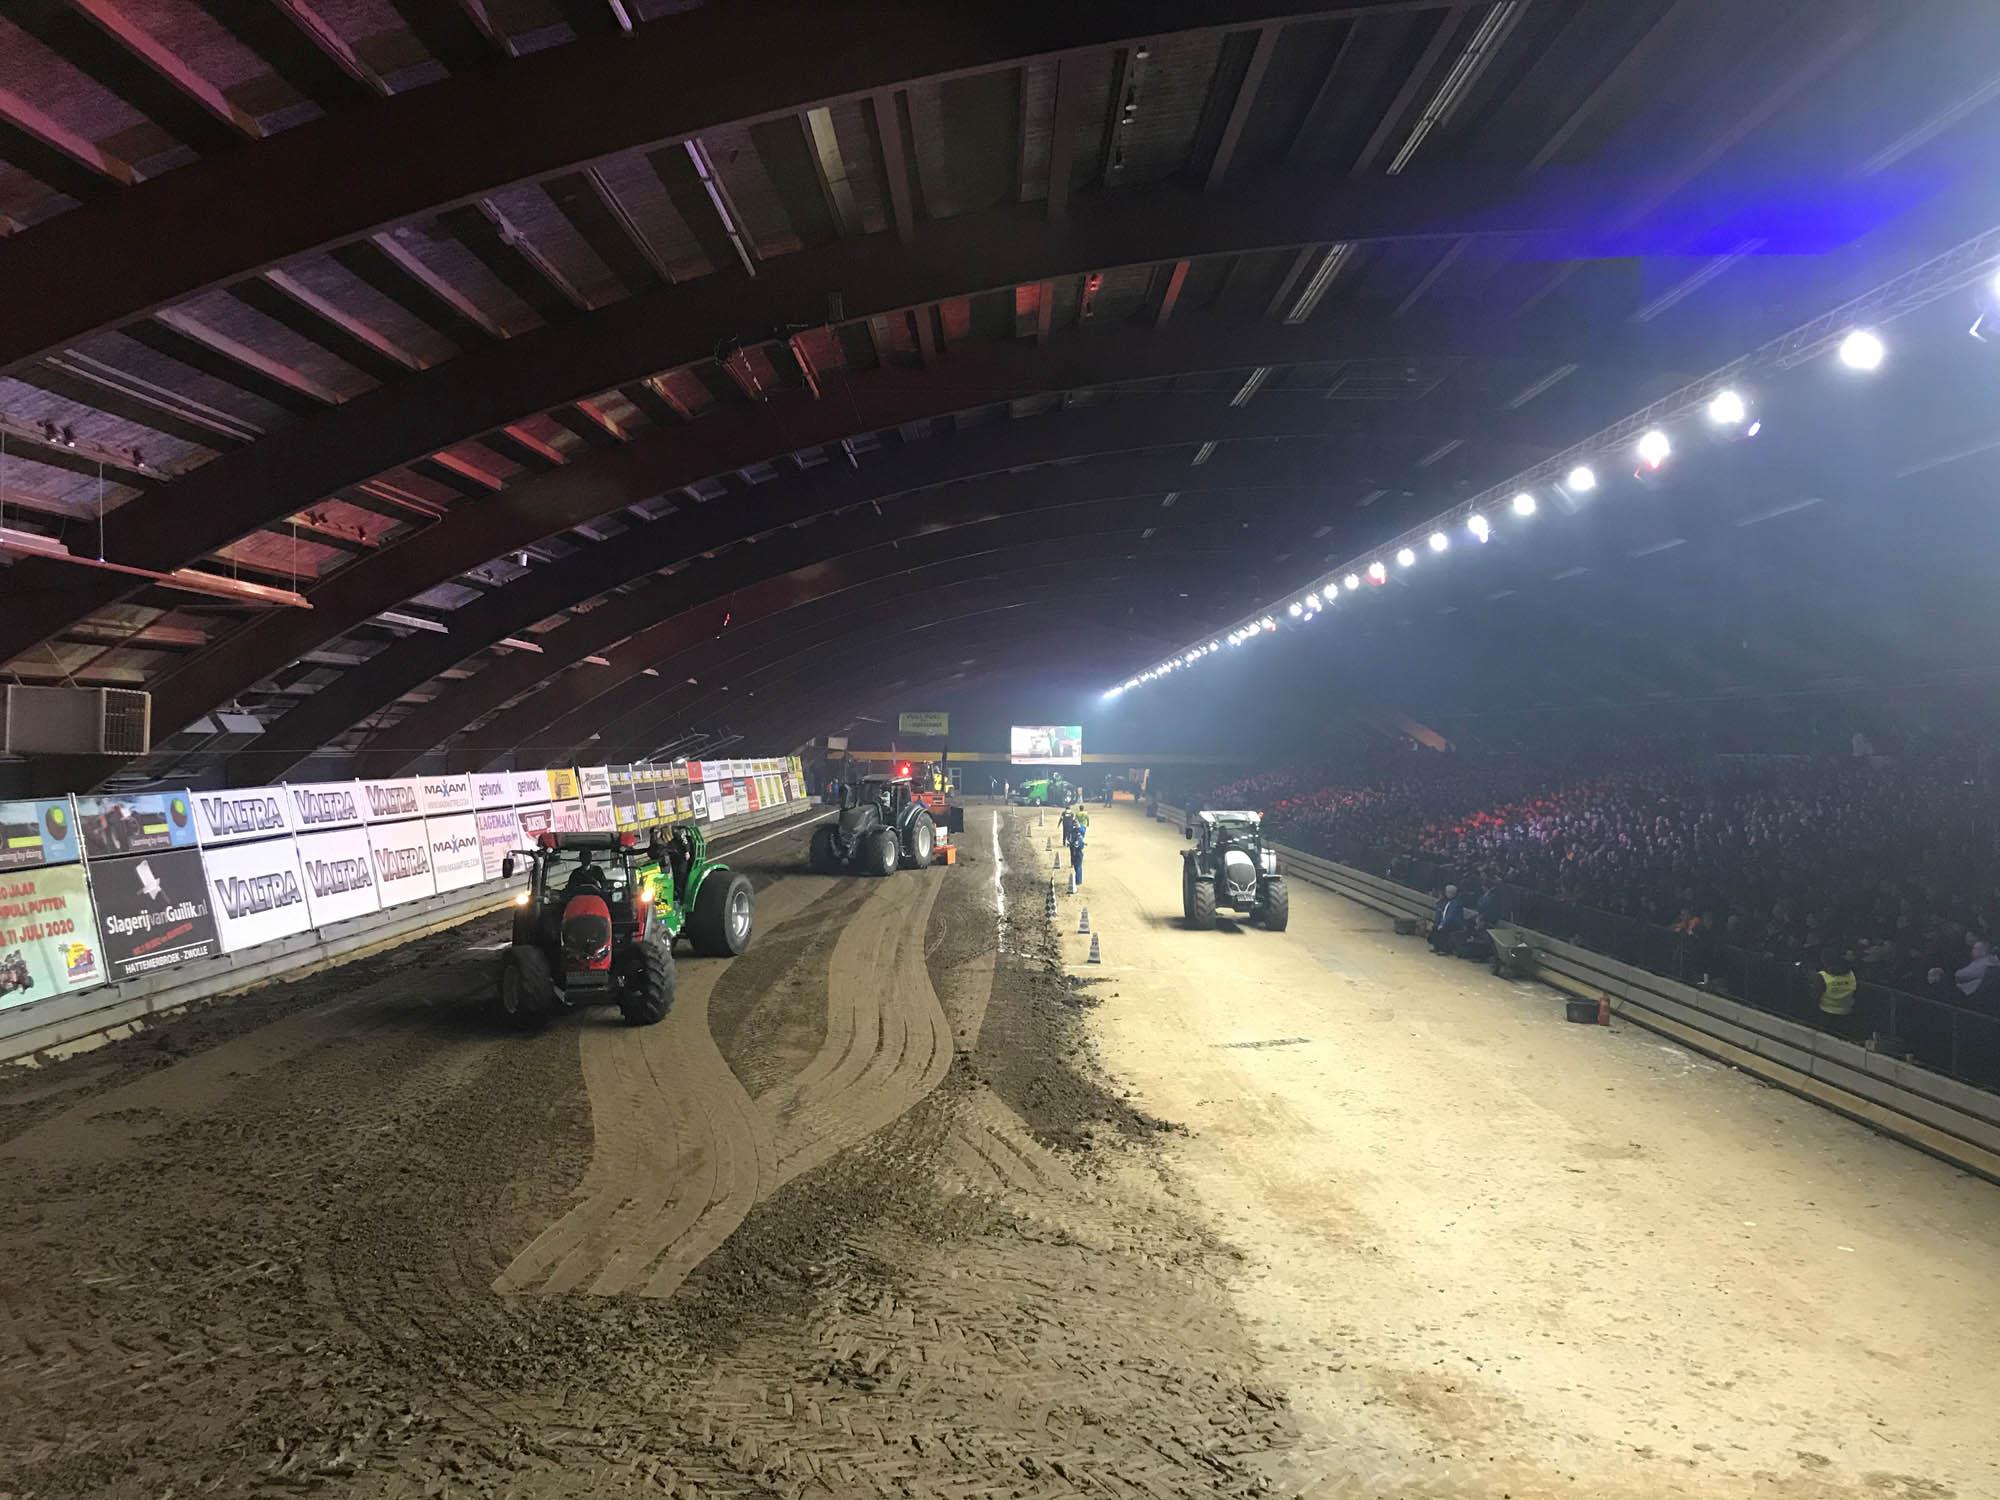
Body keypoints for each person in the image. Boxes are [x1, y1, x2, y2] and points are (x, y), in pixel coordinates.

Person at [1812, 948, 1859, 1038]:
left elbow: (1815, 995)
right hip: (1846, 1013)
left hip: (1825, 1014)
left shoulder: (1822, 976)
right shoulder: (1851, 974)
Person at [1429, 883, 1465, 954]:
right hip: (1446, 922)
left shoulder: (1456, 903)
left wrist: (1442, 924)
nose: (1445, 893)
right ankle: (1437, 947)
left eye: (1447, 892)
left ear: (1451, 893)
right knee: (1435, 927)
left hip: (1454, 924)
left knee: (1443, 929)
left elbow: (1450, 916)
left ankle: (1444, 949)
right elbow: (1440, 911)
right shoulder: (1445, 901)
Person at [1070, 812, 1086, 887]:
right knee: (1077, 867)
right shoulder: (1079, 832)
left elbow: (1076, 844)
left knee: (1078, 867)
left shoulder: (1077, 834)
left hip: (1077, 852)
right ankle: (1078, 880)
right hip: (1076, 852)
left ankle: (1078, 881)